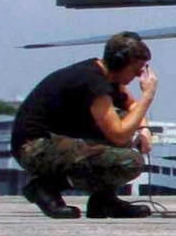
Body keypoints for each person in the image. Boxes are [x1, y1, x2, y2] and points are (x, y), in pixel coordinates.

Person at [11, 32, 158, 219]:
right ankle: (46, 187)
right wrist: (148, 95)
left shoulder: (106, 75)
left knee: (125, 120)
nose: (138, 75)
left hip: (53, 140)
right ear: (120, 63)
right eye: (135, 69)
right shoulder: (93, 82)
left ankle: (104, 200)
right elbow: (118, 134)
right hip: (34, 146)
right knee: (130, 162)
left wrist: (143, 129)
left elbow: (131, 107)